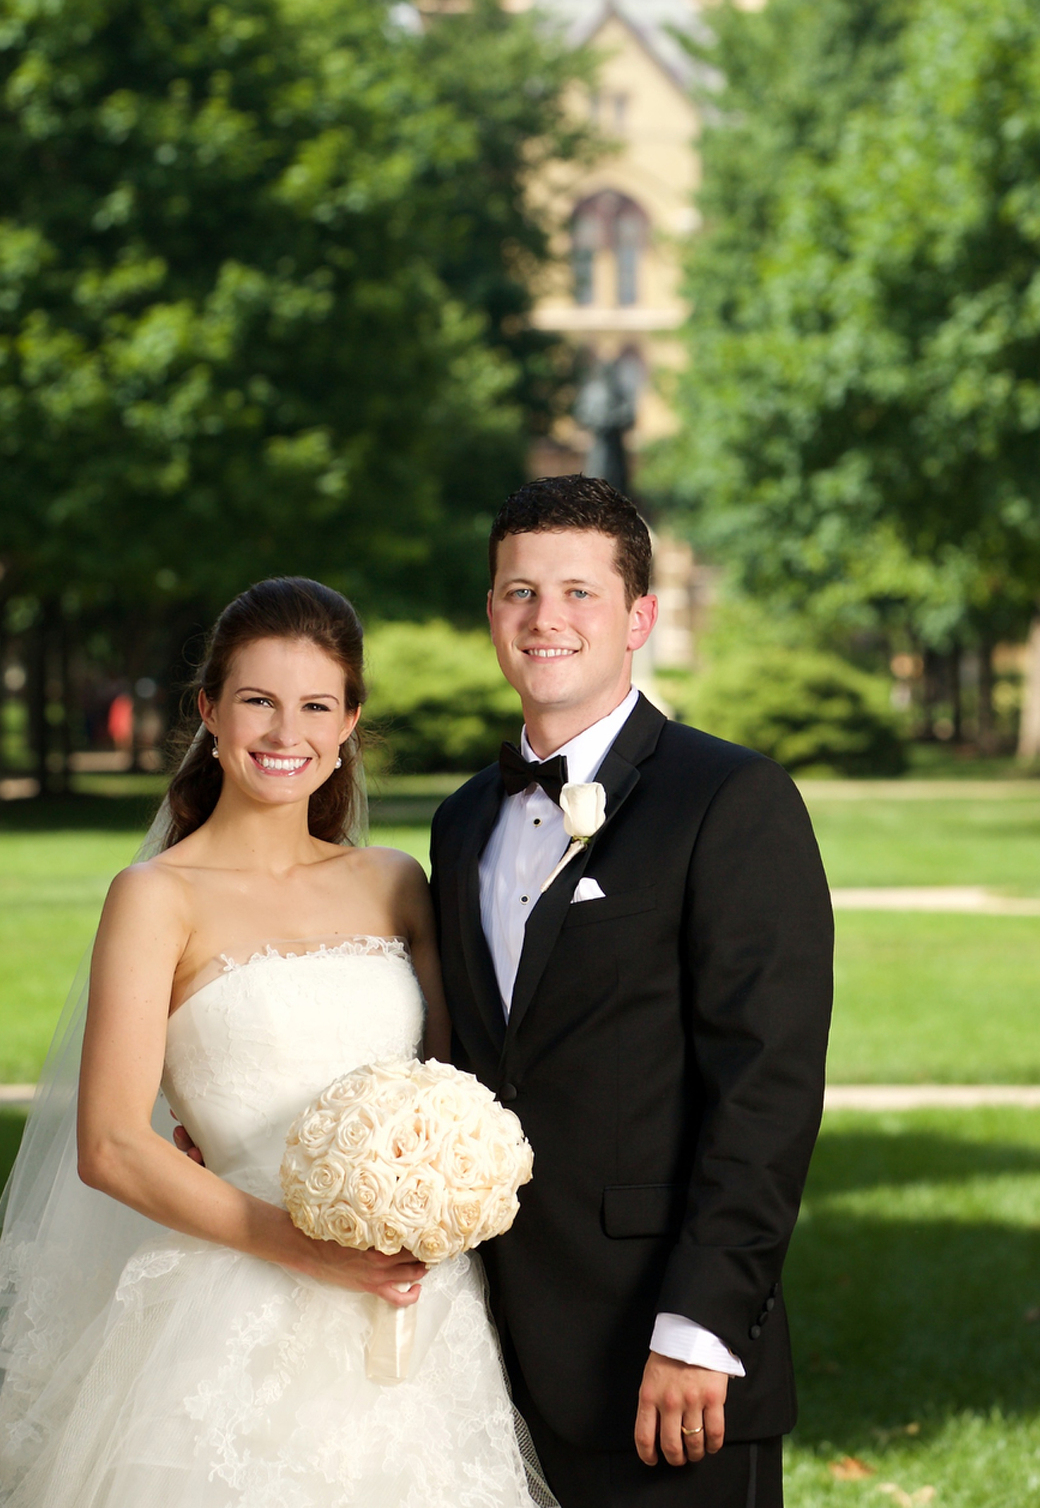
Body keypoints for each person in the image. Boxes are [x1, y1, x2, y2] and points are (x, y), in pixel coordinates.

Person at [0, 576, 549, 1508]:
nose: (284, 732)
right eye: (257, 699)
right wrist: (303, 1246)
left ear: (349, 724)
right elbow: (108, 1143)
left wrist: (436, 1198)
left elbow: (446, 1083)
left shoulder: (394, 883)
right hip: (230, 1307)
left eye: (315, 705)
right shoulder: (156, 897)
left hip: (416, 1311)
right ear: (209, 709)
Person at [428, 476, 834, 1508]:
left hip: (662, 1351)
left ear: (639, 615)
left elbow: (767, 1084)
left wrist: (701, 1325)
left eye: (578, 591)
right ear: (490, 613)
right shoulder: (462, 818)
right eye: (518, 591)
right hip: (480, 1348)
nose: (544, 617)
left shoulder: (732, 798)